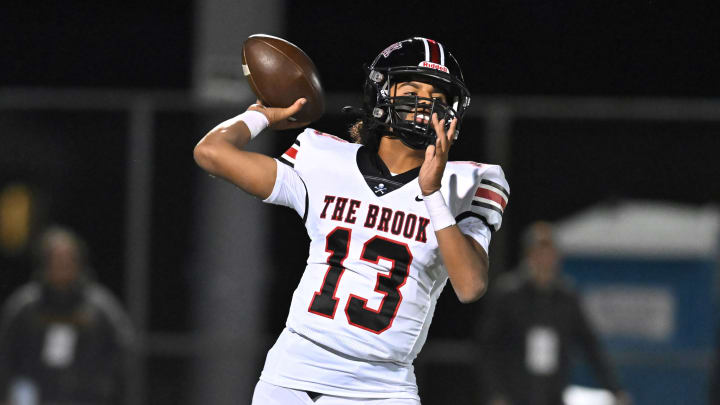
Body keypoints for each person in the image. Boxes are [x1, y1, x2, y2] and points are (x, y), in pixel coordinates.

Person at [194, 37, 510, 404]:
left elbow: (470, 285)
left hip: (383, 388)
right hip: (291, 375)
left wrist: (432, 193)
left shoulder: (472, 181)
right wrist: (262, 113)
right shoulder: (322, 157)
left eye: (438, 98)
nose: (425, 104)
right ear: (381, 92)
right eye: (412, 89)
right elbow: (211, 152)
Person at [478, 221, 630, 405]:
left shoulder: (567, 297)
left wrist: (615, 389)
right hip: (515, 392)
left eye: (548, 253)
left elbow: (590, 345)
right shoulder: (508, 294)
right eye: (538, 252)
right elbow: (488, 348)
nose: (544, 259)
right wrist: (496, 393)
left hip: (553, 392)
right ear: (528, 255)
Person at [0, 226, 134, 405]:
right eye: (56, 259)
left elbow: (123, 353)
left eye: (67, 259)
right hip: (32, 395)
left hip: (85, 397)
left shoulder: (100, 308)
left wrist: (106, 388)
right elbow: (6, 354)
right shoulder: (25, 307)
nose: (62, 265)